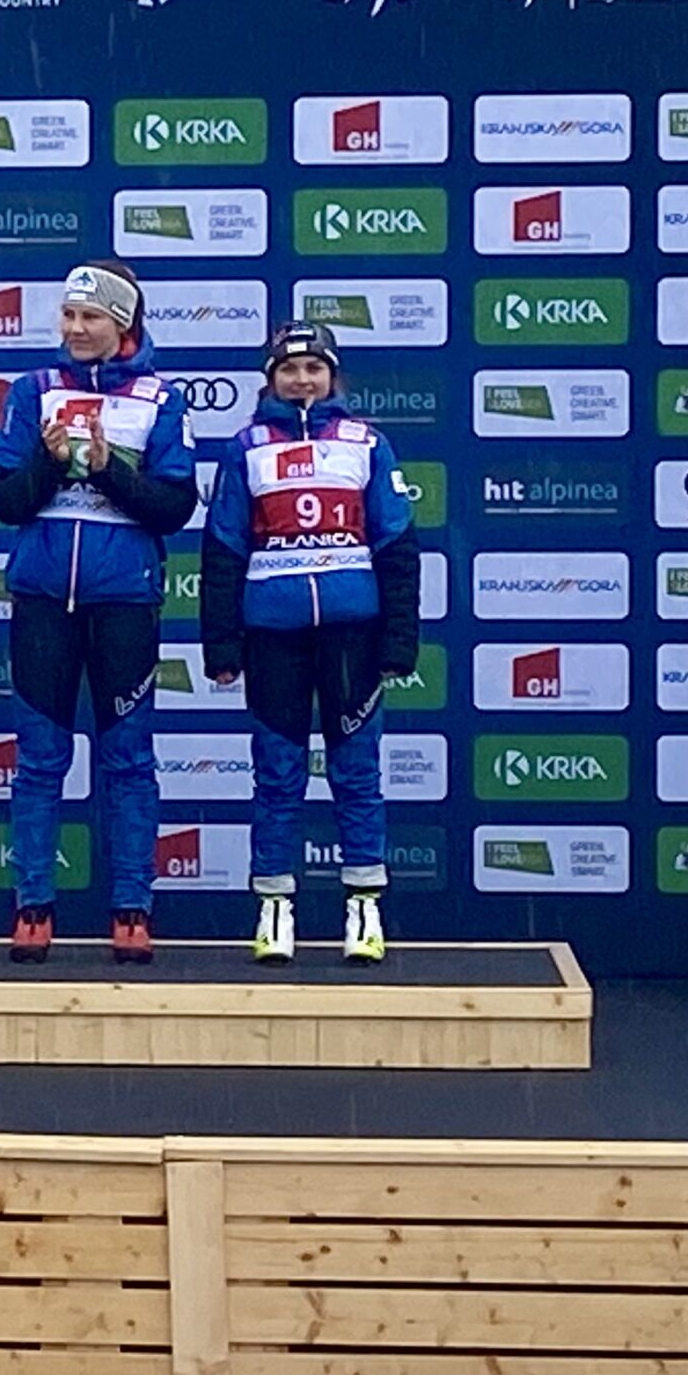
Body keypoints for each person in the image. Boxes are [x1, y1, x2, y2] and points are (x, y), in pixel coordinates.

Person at [0, 260, 198, 964]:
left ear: (123, 324)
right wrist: (49, 465)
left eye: (91, 318)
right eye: (69, 316)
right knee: (40, 762)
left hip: (124, 602)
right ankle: (33, 908)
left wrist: (108, 468)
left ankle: (132, 909)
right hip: (45, 599)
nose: (75, 329)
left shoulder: (159, 400)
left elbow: (174, 508)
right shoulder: (32, 392)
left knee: (128, 762)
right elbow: (4, 501)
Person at [199, 321, 421, 965]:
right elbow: (223, 552)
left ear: (334, 377)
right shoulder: (247, 448)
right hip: (274, 637)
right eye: (289, 369)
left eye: (314, 369)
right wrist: (222, 646)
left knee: (357, 774)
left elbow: (397, 548)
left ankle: (364, 910)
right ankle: (274, 909)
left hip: (353, 634)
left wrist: (399, 641)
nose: (302, 380)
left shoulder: (366, 443)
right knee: (277, 775)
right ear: (270, 378)